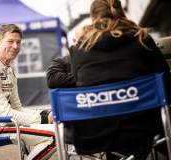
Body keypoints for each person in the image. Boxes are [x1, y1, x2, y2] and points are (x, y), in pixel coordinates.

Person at [69, 0, 171, 159]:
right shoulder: (142, 38)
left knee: (111, 117)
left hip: (96, 131)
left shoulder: (79, 48)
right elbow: (166, 83)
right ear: (121, 12)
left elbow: (79, 86)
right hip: (144, 127)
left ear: (93, 17)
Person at [0, 24, 56, 160]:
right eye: (10, 41)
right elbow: (6, 113)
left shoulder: (9, 70)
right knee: (54, 136)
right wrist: (45, 119)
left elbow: (16, 108)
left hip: (3, 122)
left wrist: (45, 114)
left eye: (18, 42)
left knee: (59, 127)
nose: (15, 46)